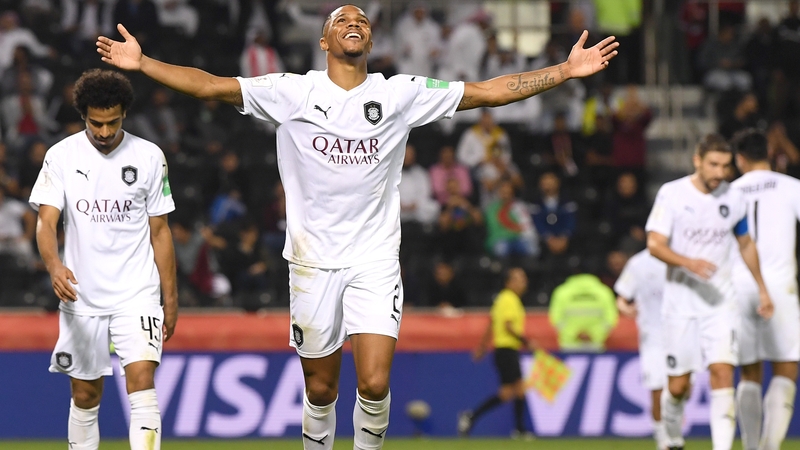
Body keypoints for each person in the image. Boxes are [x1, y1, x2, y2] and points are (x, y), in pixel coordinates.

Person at [97, 6, 618, 448]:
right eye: (342, 20)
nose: (354, 22)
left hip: (375, 260)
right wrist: (143, 63)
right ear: (324, 41)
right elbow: (211, 86)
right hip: (312, 262)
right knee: (321, 391)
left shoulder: (400, 94)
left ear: (370, 40)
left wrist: (564, 71)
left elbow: (487, 91)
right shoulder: (292, 92)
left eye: (363, 20)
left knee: (373, 382)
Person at [28, 69, 177, 450]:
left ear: (124, 113)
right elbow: (46, 222)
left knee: (142, 382)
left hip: (137, 292)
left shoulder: (149, 156)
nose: (105, 131)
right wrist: (54, 265)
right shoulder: (61, 156)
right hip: (82, 294)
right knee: (85, 395)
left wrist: (171, 298)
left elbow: (160, 232)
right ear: (83, 116)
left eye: (113, 122)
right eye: (96, 123)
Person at [645, 133, 773, 450]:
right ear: (697, 161)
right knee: (677, 387)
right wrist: (689, 263)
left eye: (725, 166)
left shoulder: (735, 198)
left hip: (721, 303)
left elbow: (746, 244)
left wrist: (763, 288)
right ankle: (672, 437)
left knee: (721, 373)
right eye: (713, 165)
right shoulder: (672, 194)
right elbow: (655, 245)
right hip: (680, 305)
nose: (720, 173)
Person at [730, 128, 800, 450]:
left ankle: (750, 446)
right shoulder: (791, 186)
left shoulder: (729, 192)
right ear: (770, 154)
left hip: (739, 286)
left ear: (739, 159)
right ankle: (770, 446)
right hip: (780, 286)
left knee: (749, 371)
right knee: (786, 366)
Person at [458, 267, 533, 439]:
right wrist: (527, 341)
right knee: (512, 391)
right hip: (507, 350)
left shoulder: (501, 299)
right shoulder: (509, 299)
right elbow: (508, 325)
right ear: (509, 282)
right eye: (519, 278)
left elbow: (491, 324)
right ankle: (517, 429)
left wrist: (482, 347)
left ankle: (473, 417)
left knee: (513, 391)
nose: (523, 282)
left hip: (504, 351)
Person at [614, 248, 668, 450]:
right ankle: (663, 442)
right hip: (652, 338)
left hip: (682, 334)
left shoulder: (684, 255)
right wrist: (626, 308)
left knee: (682, 390)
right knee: (657, 390)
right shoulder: (638, 263)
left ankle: (672, 433)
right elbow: (621, 298)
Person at [548, 270, 617, 352]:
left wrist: (573, 334)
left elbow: (556, 318)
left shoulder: (561, 292)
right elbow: (610, 318)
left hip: (569, 345)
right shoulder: (604, 292)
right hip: (595, 344)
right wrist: (595, 334)